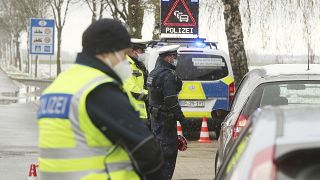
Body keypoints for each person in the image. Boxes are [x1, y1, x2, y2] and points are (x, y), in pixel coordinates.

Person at [37, 19, 164, 180]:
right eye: (124, 54)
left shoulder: (58, 86)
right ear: (107, 52)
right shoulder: (99, 89)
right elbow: (146, 151)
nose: (126, 61)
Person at [147, 45, 185, 179]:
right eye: (174, 57)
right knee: (168, 154)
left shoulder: (153, 72)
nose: (176, 60)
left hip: (155, 119)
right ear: (168, 57)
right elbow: (171, 100)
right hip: (166, 120)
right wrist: (182, 119)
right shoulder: (168, 75)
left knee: (157, 152)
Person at [124, 39, 149, 124]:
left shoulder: (138, 65)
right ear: (132, 51)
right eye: (141, 51)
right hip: (131, 113)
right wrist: (151, 95)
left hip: (140, 113)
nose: (143, 54)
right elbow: (132, 90)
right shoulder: (125, 65)